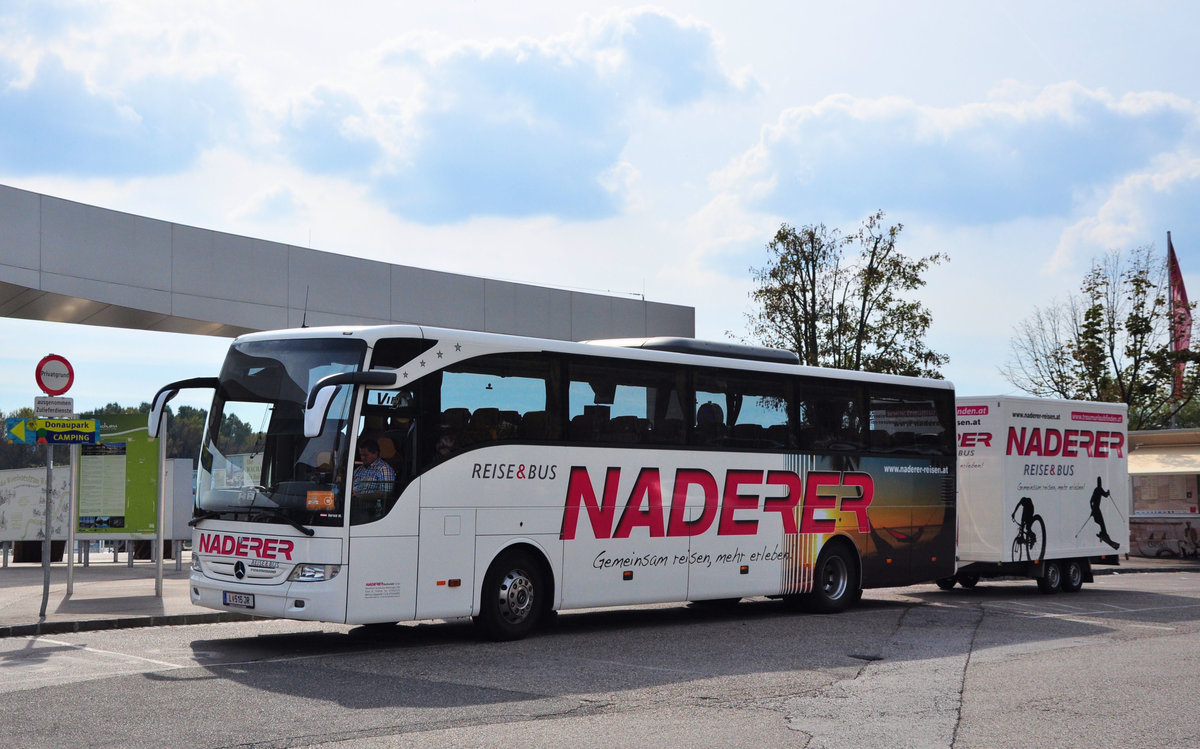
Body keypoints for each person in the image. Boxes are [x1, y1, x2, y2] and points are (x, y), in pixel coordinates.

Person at [1089, 477, 1119, 550]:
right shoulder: (1099, 489)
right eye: (1099, 481)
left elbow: (1090, 501)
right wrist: (1108, 493)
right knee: (1101, 522)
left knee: (1100, 522)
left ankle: (1103, 533)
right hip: (1097, 509)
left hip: (1095, 509)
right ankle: (1103, 534)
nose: (1100, 483)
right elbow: (1105, 495)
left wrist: (1092, 509)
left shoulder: (1096, 489)